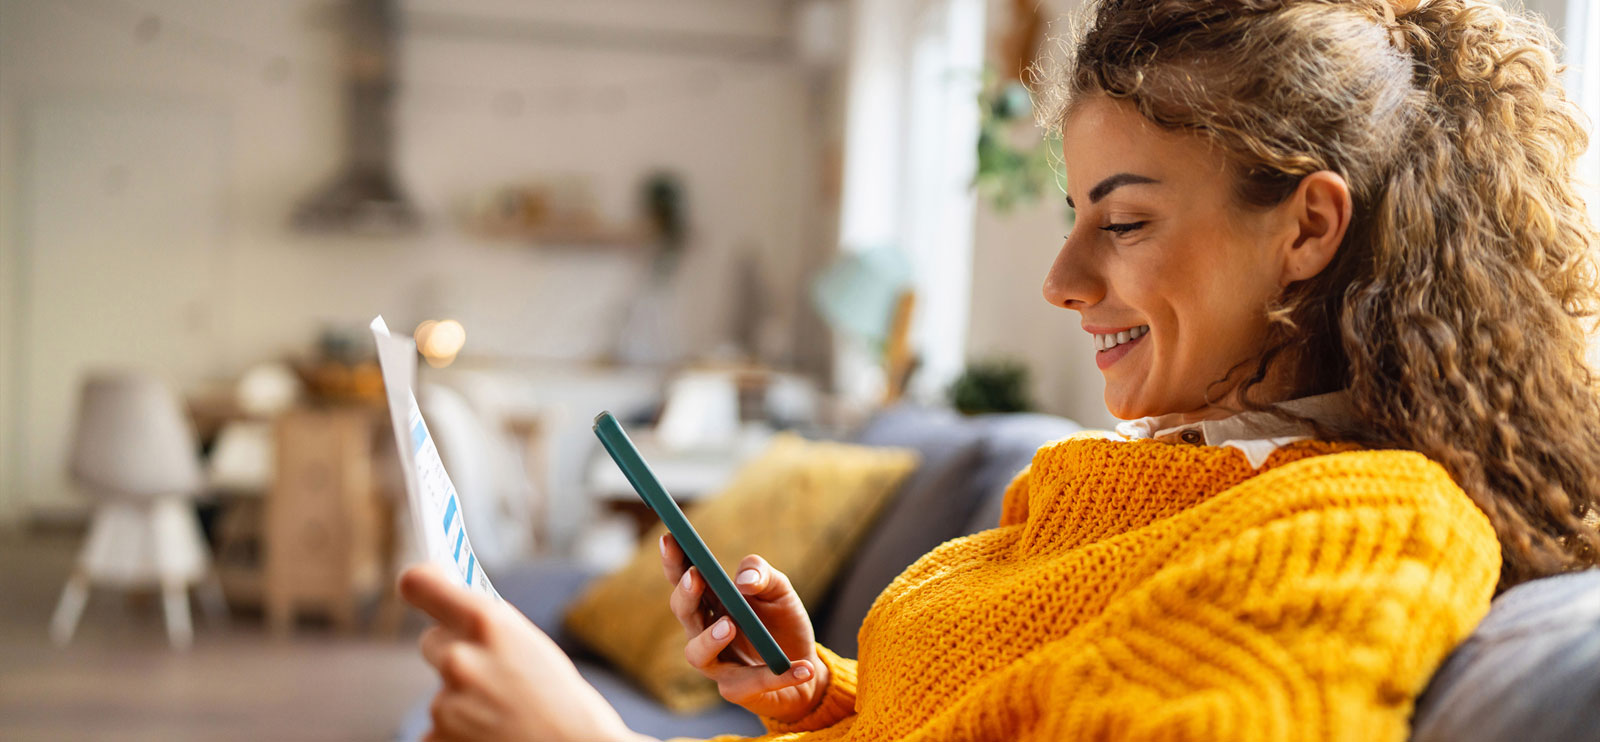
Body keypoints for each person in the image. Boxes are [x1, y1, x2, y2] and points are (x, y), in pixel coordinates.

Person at [397, 0, 1600, 739]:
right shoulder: (1102, 484)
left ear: (1305, 228)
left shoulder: (1365, 522)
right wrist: (818, 687)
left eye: (1120, 223)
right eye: (1074, 216)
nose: (1062, 279)